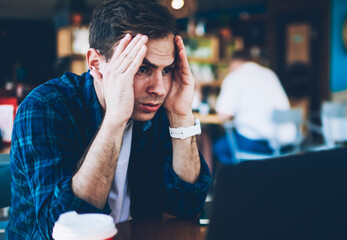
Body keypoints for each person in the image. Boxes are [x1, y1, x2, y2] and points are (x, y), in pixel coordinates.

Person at [7, 0, 211, 239]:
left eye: (166, 70)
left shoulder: (158, 107)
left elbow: (187, 207)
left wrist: (180, 115)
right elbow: (63, 229)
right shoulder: (46, 106)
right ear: (95, 63)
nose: (160, 88)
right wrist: (115, 119)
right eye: (141, 68)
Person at [214, 49, 296, 164]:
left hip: (256, 142)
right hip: (282, 141)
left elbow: (223, 115)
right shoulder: (269, 74)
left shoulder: (235, 77)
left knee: (220, 148)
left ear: (233, 63)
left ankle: (241, 178)